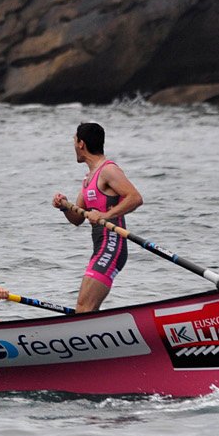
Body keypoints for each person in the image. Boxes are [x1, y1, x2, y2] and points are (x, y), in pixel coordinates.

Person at [52, 122, 144, 313]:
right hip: (101, 247)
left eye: (74, 141)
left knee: (85, 307)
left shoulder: (108, 170)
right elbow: (77, 219)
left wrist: (106, 215)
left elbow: (135, 198)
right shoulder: (88, 179)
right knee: (84, 308)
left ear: (81, 144)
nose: (73, 146)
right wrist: (65, 206)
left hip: (112, 245)